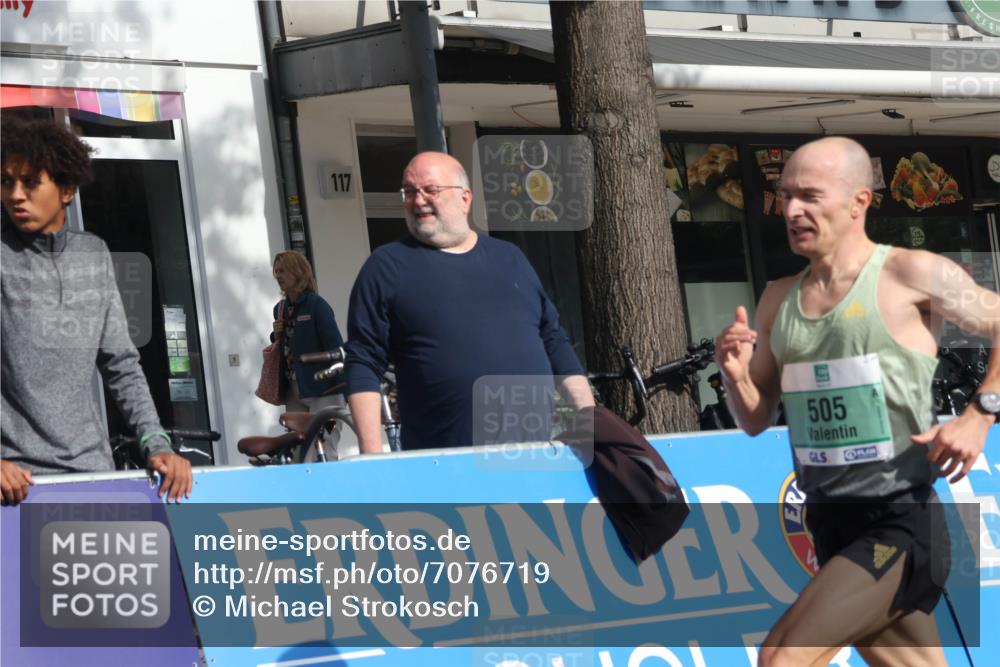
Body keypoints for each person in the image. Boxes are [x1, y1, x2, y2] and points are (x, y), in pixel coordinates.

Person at [715, 136, 996, 666]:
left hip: (899, 520)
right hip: (828, 520)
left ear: (858, 202)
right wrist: (735, 378)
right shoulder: (778, 298)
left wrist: (980, 416)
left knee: (780, 657)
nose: (792, 211)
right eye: (786, 196)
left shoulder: (909, 273)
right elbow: (755, 419)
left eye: (810, 196)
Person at [344, 151, 594, 453]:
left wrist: (591, 424)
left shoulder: (510, 258)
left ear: (465, 198)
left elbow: (553, 340)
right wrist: (372, 458)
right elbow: (363, 361)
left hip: (536, 453)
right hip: (447, 462)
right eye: (409, 191)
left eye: (430, 190)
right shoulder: (386, 267)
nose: (418, 200)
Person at [1, 115, 192, 504]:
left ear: (67, 190)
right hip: (14, 486)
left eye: (30, 182)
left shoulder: (93, 254)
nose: (16, 194)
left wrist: (156, 442)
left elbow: (121, 363)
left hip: (92, 475)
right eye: (6, 182)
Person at [271, 250, 347, 459]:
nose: (278, 276)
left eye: (283, 271)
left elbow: (336, 348)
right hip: (294, 389)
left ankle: (328, 480)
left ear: (298, 272)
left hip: (324, 388)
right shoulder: (280, 309)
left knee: (325, 447)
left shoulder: (317, 305)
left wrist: (346, 389)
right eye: (276, 271)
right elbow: (286, 346)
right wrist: (276, 335)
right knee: (298, 450)